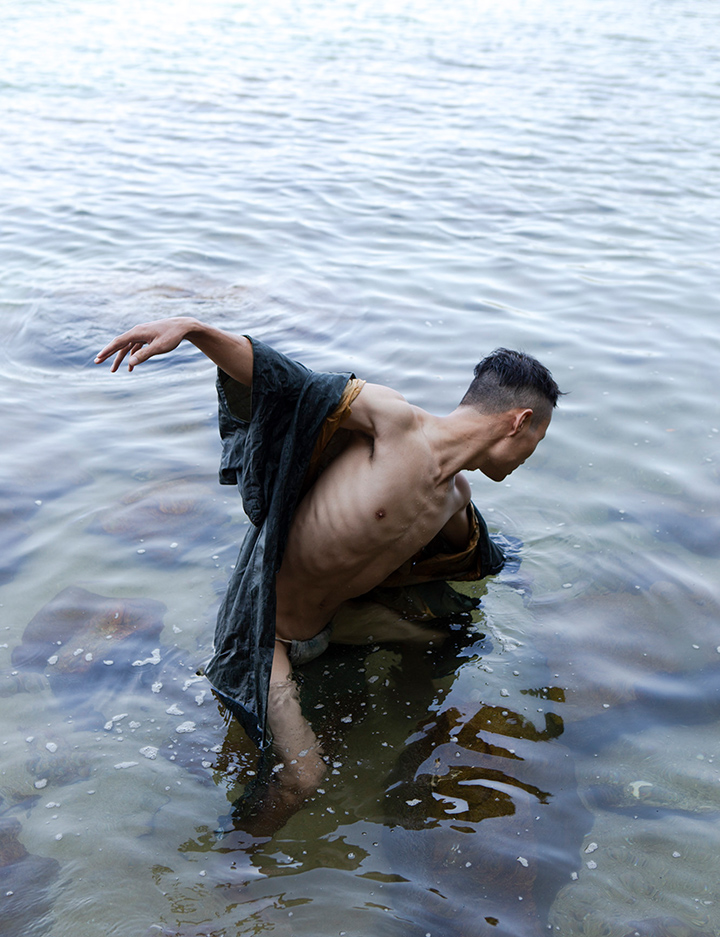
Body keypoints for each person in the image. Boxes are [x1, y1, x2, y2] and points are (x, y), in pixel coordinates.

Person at [96, 319, 560, 835]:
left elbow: (481, 559)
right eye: (536, 439)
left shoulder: (456, 501)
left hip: (335, 625)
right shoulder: (394, 424)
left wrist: (528, 585)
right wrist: (192, 330)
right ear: (519, 422)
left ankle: (404, 756)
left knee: (444, 641)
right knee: (305, 776)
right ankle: (233, 875)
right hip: (267, 634)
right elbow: (285, 381)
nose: (528, 458)